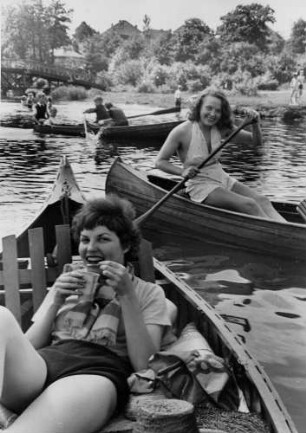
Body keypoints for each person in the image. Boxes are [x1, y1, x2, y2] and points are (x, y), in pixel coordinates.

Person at [0, 195, 172, 433]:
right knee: (1, 316)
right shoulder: (69, 281)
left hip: (94, 373)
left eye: (102, 239)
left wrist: (127, 296)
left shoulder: (148, 293)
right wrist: (55, 301)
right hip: (42, 366)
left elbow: (144, 364)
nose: (90, 249)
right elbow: (28, 346)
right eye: (84, 240)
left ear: (125, 245)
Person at [155, 88, 286, 222]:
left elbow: (256, 142)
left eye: (217, 111)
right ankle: (281, 237)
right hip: (200, 185)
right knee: (249, 205)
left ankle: (291, 231)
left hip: (221, 177)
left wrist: (255, 123)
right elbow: (160, 162)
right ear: (199, 107)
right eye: (209, 108)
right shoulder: (181, 131)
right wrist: (182, 171)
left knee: (262, 200)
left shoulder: (221, 127)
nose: (213, 114)